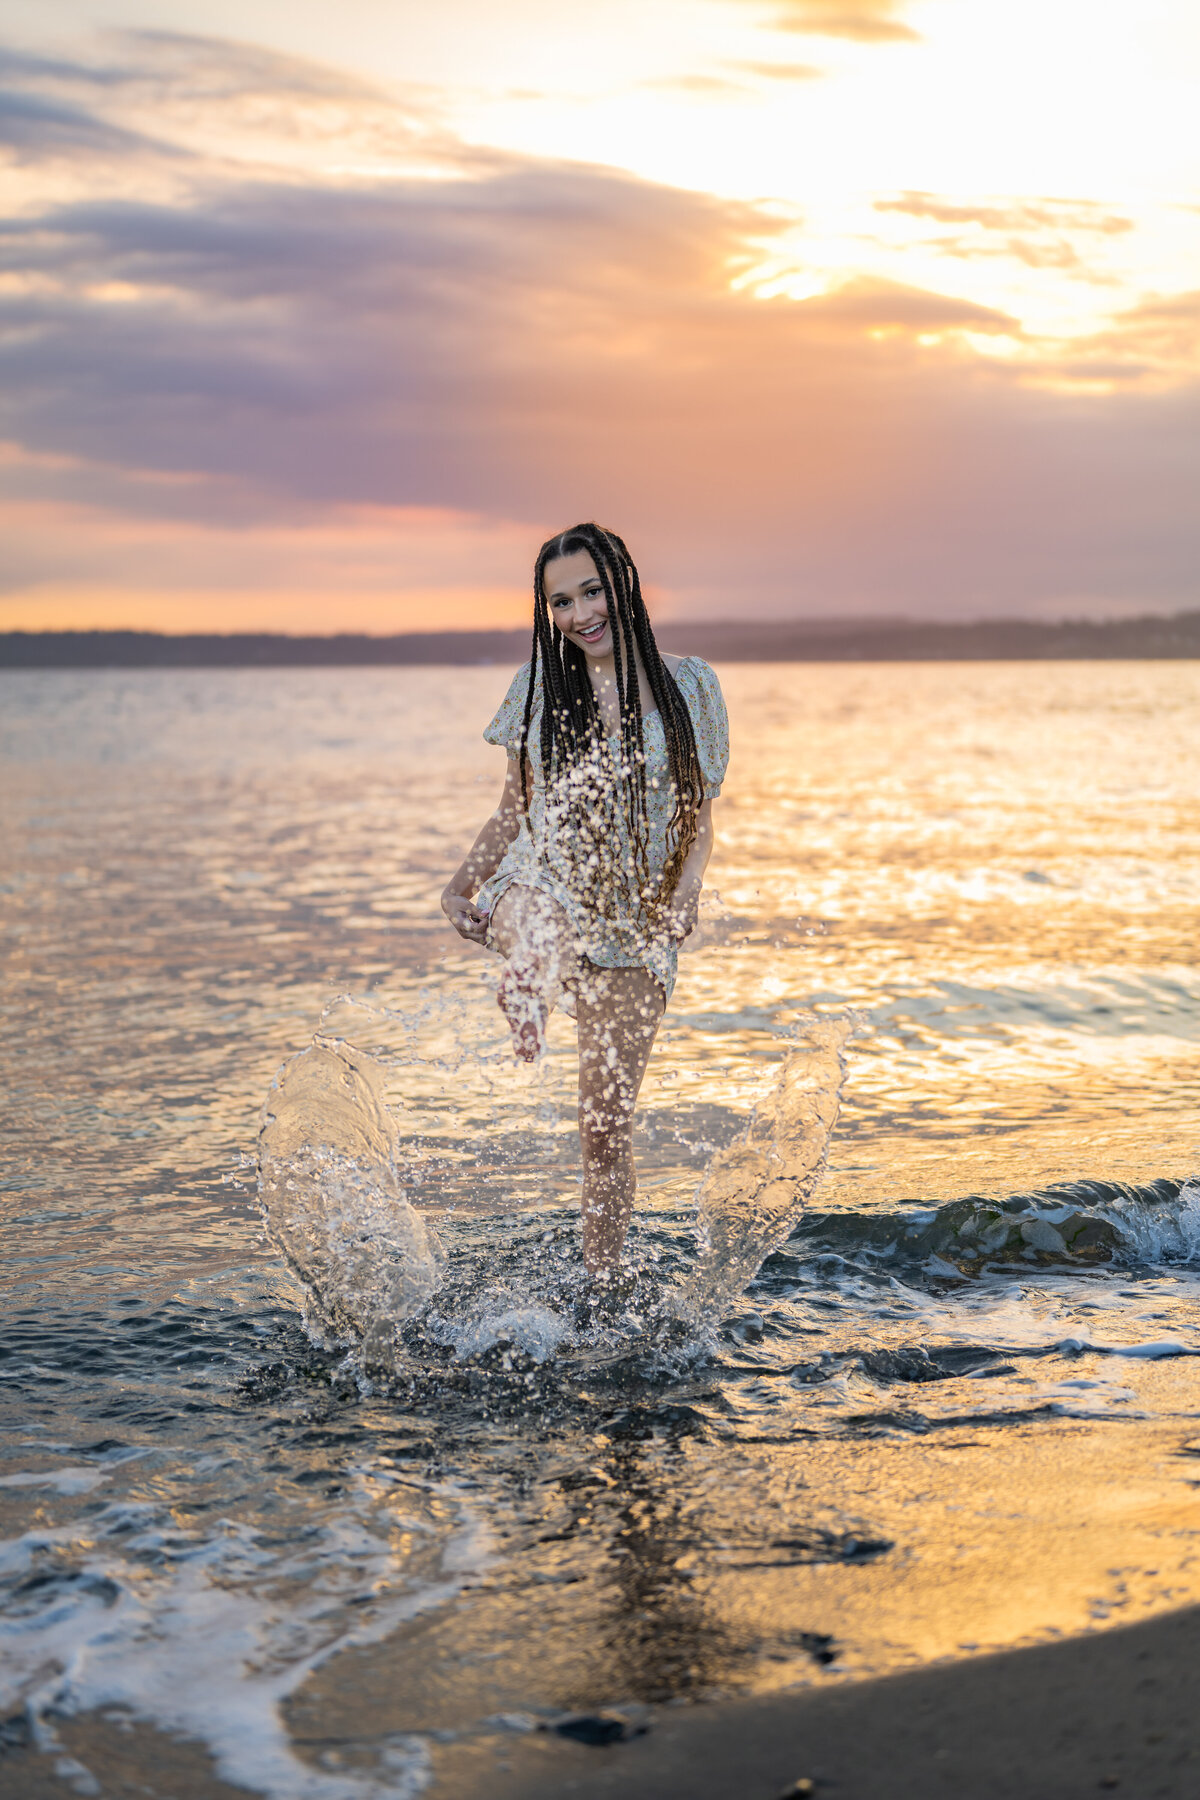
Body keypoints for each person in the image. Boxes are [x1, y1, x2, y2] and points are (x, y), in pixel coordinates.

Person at [441, 523, 729, 1278]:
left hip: (637, 925)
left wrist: (686, 897)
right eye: (560, 601)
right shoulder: (538, 688)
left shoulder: (692, 686)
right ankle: (529, 979)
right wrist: (460, 886)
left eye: (591, 591)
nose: (579, 614)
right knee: (543, 924)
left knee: (604, 1130)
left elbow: (697, 822)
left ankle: (600, 1284)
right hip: (539, 881)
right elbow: (514, 811)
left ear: (625, 582)